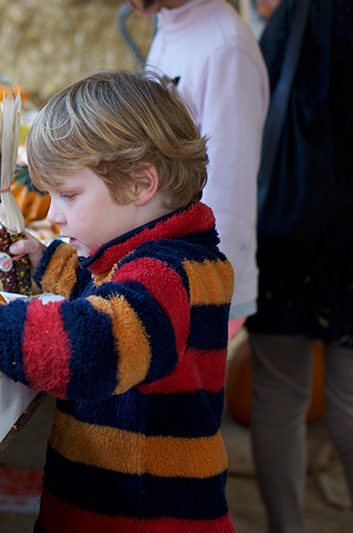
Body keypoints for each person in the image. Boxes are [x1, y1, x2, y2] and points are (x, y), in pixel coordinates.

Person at [0, 69, 236, 532]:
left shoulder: (165, 277)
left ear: (141, 184)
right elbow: (115, 298)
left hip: (139, 520)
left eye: (68, 194)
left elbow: (94, 347)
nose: (53, 214)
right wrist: (53, 264)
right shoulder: (175, 260)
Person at [243, 1, 353, 531]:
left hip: (285, 223)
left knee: (279, 391)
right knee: (350, 402)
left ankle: (286, 528)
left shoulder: (289, 21)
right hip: (345, 232)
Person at [127, 0, 269, 340]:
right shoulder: (171, 25)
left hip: (201, 280)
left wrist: (208, 293)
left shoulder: (225, 47)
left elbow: (228, 184)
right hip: (168, 266)